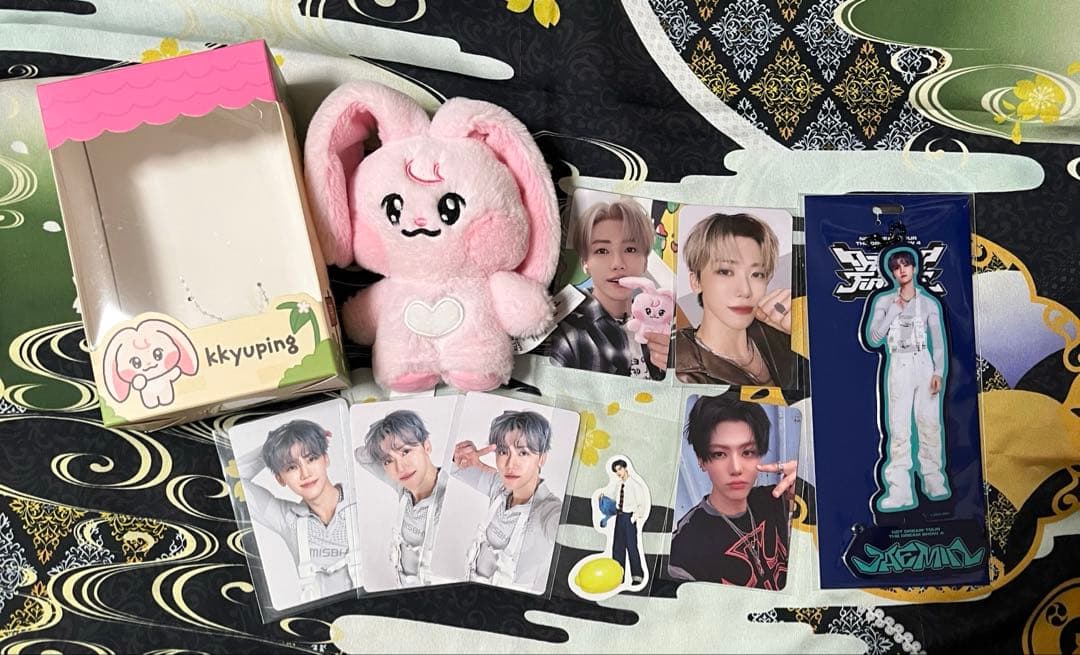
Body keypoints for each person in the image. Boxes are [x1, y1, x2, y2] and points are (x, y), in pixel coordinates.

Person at [668, 395, 796, 589]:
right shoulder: (684, 549)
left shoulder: (777, 498)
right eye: (720, 454)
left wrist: (811, 487)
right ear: (701, 460)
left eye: (747, 452)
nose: (736, 468)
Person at [863, 246, 951, 512]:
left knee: (929, 423)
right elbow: (874, 337)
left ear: (914, 268)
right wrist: (894, 311)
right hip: (899, 364)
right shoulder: (884, 302)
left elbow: (938, 342)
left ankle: (934, 481)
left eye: (905, 265)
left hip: (923, 363)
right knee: (899, 428)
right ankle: (899, 490)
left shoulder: (929, 303)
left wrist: (938, 372)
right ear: (892, 273)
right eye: (896, 267)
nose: (901, 270)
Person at [235, 419, 360, 603]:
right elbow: (231, 479)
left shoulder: (360, 499)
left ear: (326, 459)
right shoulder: (288, 519)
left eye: (311, 459)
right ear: (280, 478)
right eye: (291, 467)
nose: (305, 473)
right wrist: (273, 449)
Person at [547, 199, 671, 380]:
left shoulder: (661, 321)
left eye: (630, 249)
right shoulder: (568, 334)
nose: (618, 263)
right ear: (585, 262)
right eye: (602, 251)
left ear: (645, 261)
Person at [675, 212, 794, 387]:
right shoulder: (684, 373)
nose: (745, 291)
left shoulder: (781, 332)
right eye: (725, 272)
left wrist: (808, 338)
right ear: (696, 282)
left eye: (756, 274)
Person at [451, 410, 561, 593]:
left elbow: (565, 530)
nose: (510, 464)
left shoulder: (548, 510)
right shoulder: (498, 486)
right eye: (503, 451)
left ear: (541, 458)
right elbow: (452, 469)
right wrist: (458, 457)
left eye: (523, 453)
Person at [354, 410, 447, 587]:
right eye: (388, 461)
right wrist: (382, 436)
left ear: (427, 445)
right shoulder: (402, 487)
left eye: (406, 451)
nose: (400, 467)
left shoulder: (450, 494)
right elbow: (361, 455)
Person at [598, 458, 650, 587]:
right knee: (617, 547)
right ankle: (618, 576)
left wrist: (633, 518)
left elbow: (641, 505)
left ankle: (637, 576)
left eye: (620, 469)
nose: (619, 473)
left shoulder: (635, 485)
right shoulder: (618, 485)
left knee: (632, 546)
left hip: (629, 518)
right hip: (619, 517)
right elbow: (613, 498)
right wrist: (602, 498)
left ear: (625, 468)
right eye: (616, 471)